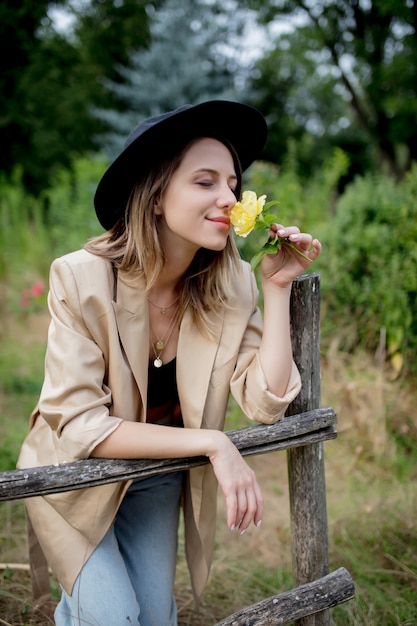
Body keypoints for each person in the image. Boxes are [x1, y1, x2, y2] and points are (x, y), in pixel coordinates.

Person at [17, 100, 322, 626]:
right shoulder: (80, 279)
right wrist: (211, 442)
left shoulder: (234, 284)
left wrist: (275, 289)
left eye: (232, 183)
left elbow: (266, 401)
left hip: (154, 474)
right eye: (205, 182)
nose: (229, 198)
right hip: (72, 475)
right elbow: (81, 427)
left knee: (155, 618)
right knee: (115, 618)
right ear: (156, 196)